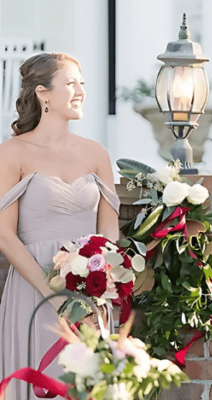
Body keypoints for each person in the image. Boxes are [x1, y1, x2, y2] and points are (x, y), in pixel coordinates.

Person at [0, 53, 120, 400]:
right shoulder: (13, 153)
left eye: (82, 82)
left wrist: (102, 281)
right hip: (34, 292)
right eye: (71, 83)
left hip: (90, 292)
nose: (81, 90)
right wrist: (55, 297)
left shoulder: (97, 153)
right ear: (43, 93)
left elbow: (109, 231)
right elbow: (5, 236)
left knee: (89, 385)